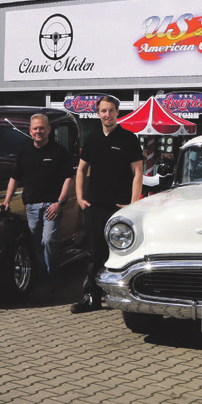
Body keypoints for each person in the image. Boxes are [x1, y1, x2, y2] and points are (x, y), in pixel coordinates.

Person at [70, 96, 143, 314]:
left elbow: (137, 173)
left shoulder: (129, 139)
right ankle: (91, 297)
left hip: (120, 207)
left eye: (111, 110)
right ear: (98, 113)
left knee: (122, 253)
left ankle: (126, 297)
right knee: (94, 253)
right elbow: (81, 170)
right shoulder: (91, 139)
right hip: (95, 206)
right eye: (103, 111)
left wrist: (132, 204)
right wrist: (80, 197)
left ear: (117, 112)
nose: (107, 115)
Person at [0, 112, 73, 290]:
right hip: (31, 207)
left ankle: (52, 280)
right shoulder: (24, 152)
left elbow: (68, 178)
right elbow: (14, 178)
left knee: (48, 240)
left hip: (51, 206)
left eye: (42, 128)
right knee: (35, 245)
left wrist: (59, 203)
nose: (38, 131)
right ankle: (41, 279)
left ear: (49, 130)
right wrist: (6, 201)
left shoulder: (59, 151)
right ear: (30, 131)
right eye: (35, 128)